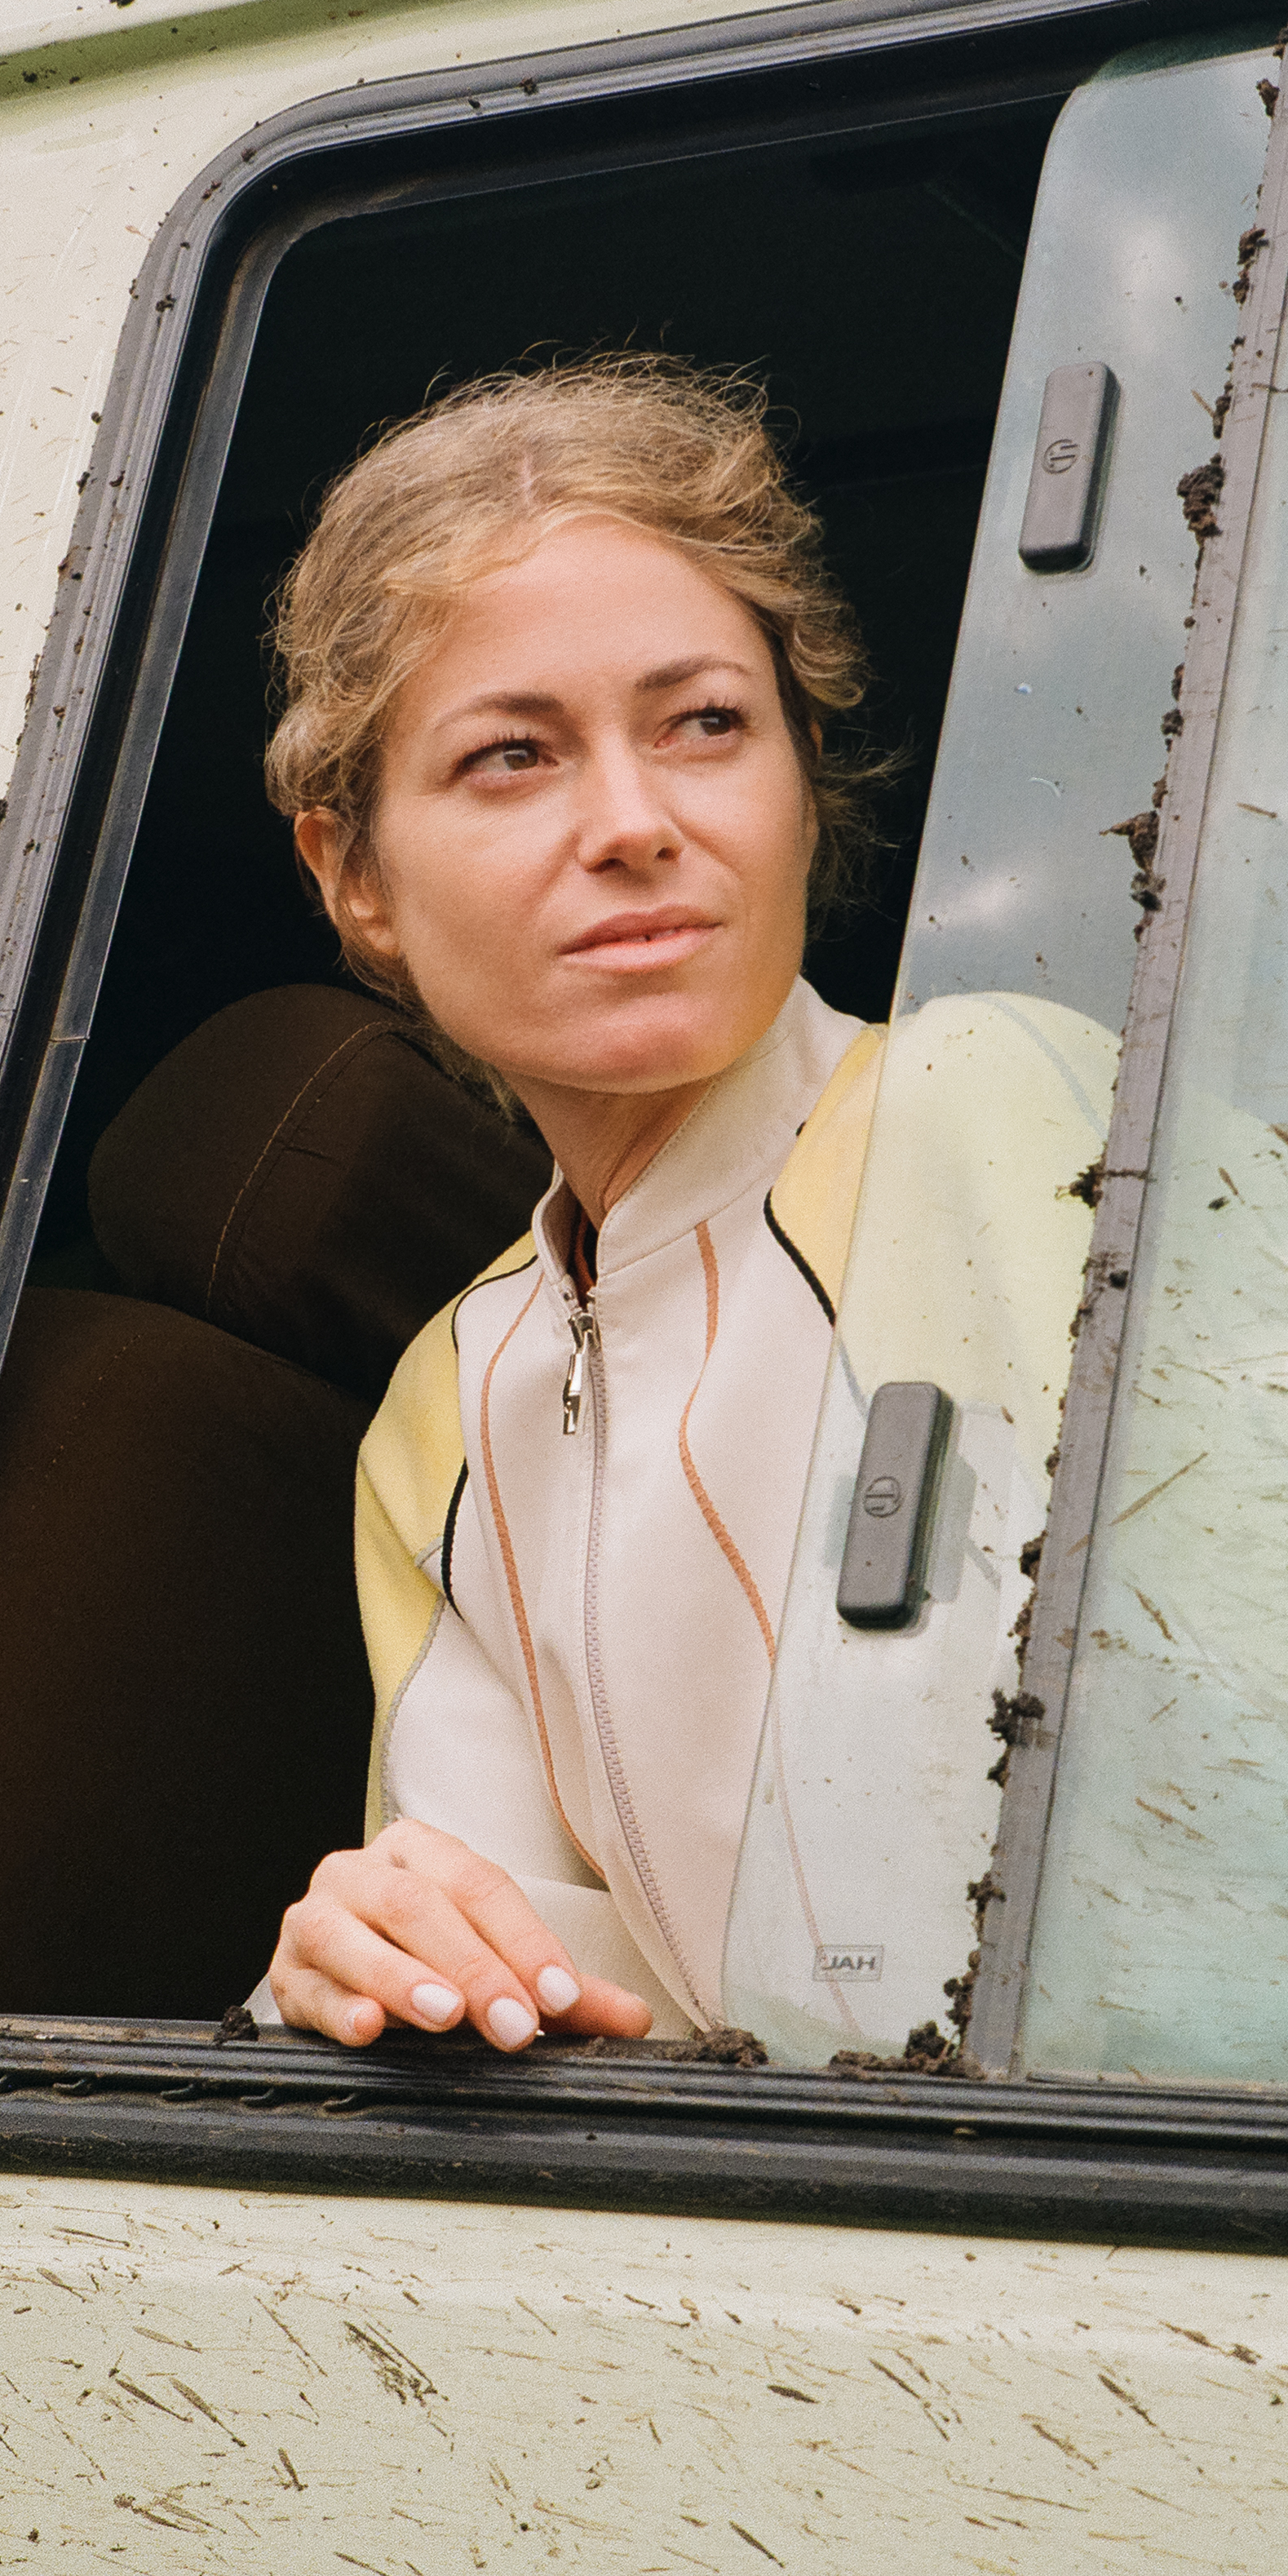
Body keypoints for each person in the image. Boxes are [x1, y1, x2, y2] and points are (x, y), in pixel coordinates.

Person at [254, 355, 1092, 2054]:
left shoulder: (993, 1102)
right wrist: (358, 1970)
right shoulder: (439, 1405)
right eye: (511, 756)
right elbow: (544, 1985)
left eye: (704, 723)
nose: (634, 824)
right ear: (354, 876)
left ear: (800, 772)